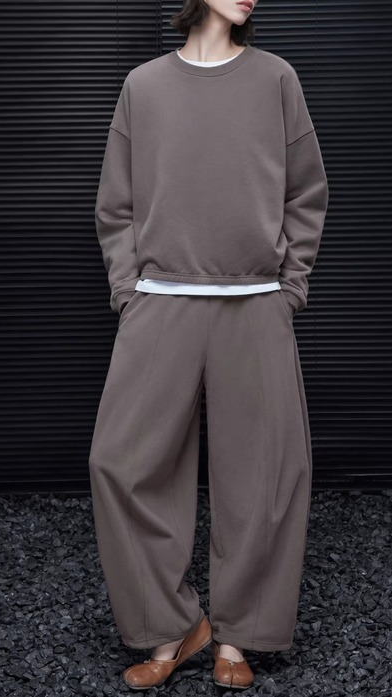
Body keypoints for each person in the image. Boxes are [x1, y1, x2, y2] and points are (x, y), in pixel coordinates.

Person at [88, 0, 329, 690]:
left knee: (265, 474)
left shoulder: (276, 78)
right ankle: (170, 628)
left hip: (254, 301)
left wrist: (289, 289)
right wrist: (129, 290)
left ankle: (239, 636)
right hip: (160, 300)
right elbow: (116, 204)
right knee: (120, 463)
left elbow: (307, 193)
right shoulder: (143, 86)